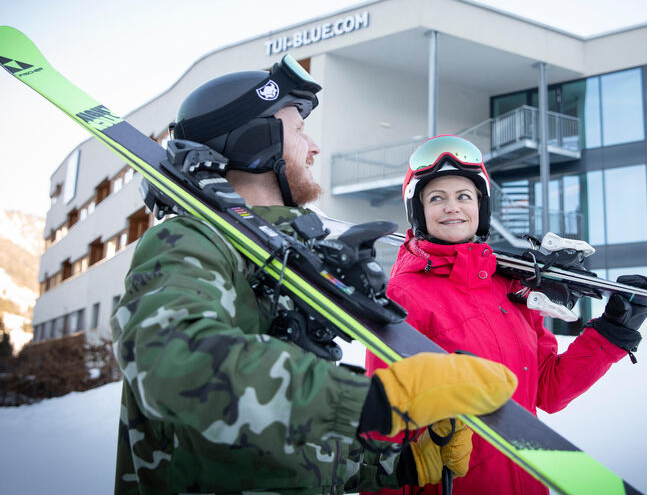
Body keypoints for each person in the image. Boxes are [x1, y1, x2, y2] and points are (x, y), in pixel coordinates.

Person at [110, 59, 519, 495]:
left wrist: (401, 465)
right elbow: (170, 360)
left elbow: (285, 438)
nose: (314, 147)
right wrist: (372, 402)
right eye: (299, 130)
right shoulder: (191, 240)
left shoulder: (280, 257)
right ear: (258, 140)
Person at [364, 135, 647, 495]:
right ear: (419, 211)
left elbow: (548, 389)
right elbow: (383, 427)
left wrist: (611, 333)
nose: (452, 207)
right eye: (436, 198)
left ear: (480, 208)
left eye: (464, 196)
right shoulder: (403, 296)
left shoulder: (509, 288)